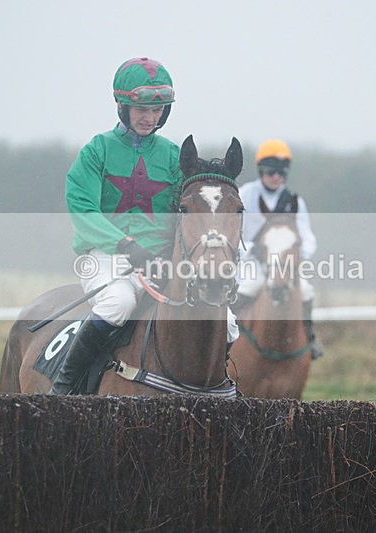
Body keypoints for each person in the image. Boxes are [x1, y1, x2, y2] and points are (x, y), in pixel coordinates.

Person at [53, 57, 237, 394]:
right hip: (107, 257)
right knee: (118, 303)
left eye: (157, 110)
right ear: (122, 107)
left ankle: (216, 388)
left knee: (229, 326)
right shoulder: (97, 151)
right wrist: (125, 245)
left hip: (161, 262)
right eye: (141, 109)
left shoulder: (171, 156)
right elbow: (82, 210)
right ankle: (64, 391)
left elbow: (188, 215)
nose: (149, 118)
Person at [233, 139, 323, 358]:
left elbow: (307, 237)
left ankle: (310, 338)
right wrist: (250, 250)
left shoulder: (294, 201)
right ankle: (228, 337)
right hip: (252, 262)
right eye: (272, 172)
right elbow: (234, 232)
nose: (276, 177)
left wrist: (295, 256)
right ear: (261, 170)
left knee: (307, 290)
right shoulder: (245, 194)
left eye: (281, 173)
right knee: (249, 286)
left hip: (283, 264)